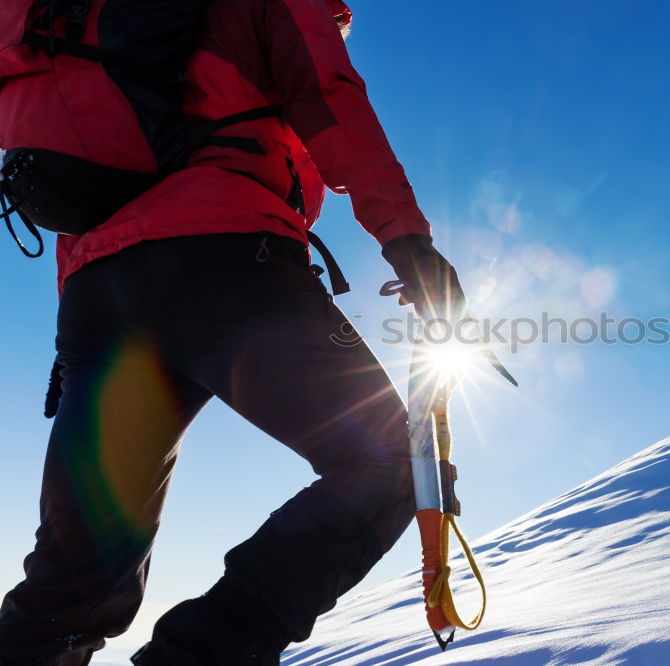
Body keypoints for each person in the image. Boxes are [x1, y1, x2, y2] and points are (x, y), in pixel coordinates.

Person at [0, 0, 466, 664]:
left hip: (94, 297)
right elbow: (329, 98)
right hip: (226, 257)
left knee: (75, 574)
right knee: (392, 465)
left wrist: (82, 324)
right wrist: (407, 240)